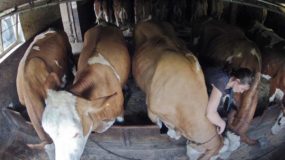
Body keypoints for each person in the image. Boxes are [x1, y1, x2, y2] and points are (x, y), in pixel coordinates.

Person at [204, 66, 254, 134]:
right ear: (237, 81)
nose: (242, 92)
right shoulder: (222, 81)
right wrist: (222, 124)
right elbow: (210, 113)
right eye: (242, 89)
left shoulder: (230, 83)